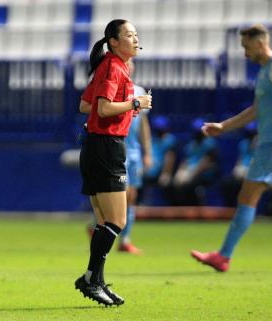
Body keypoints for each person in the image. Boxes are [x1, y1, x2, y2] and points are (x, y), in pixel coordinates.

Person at [191, 24, 272, 273]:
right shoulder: (266, 71)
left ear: (261, 43)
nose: (244, 53)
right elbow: (256, 110)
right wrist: (224, 126)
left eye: (247, 47)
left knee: (246, 197)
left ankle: (223, 256)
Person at [74, 19, 152, 306]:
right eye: (129, 35)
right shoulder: (113, 67)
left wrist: (124, 106)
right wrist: (135, 104)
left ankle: (95, 280)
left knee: (105, 221)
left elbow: (86, 105)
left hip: (97, 146)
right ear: (114, 42)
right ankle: (90, 278)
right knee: (117, 220)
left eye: (136, 34)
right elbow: (104, 108)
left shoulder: (110, 66)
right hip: (107, 148)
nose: (135, 39)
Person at [118, 60, 153, 254]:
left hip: (134, 152)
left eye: (130, 63)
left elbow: (144, 126)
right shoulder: (113, 89)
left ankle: (125, 240)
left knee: (132, 196)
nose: (128, 65)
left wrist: (147, 152)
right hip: (118, 150)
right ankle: (101, 225)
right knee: (123, 195)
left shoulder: (139, 90)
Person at [171, 117, 219, 205]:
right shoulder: (191, 144)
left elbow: (206, 163)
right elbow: (185, 161)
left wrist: (191, 175)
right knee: (175, 182)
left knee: (190, 184)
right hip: (190, 171)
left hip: (203, 173)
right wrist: (180, 172)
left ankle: (197, 207)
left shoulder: (210, 143)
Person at [220, 123, 258, 207]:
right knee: (227, 183)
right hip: (242, 171)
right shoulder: (243, 143)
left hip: (253, 172)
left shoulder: (261, 144)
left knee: (241, 184)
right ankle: (231, 208)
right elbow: (240, 159)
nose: (250, 136)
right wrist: (236, 169)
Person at [142, 115, 177, 204]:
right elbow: (147, 155)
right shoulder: (152, 139)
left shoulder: (170, 139)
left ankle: (171, 206)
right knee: (139, 179)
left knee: (167, 183)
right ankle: (143, 204)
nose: (159, 130)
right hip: (150, 171)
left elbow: (170, 158)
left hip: (162, 172)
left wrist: (166, 173)